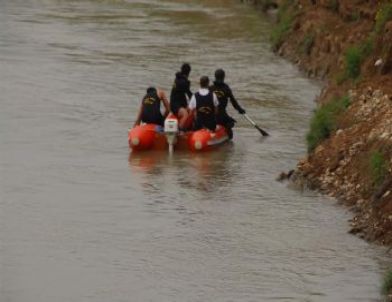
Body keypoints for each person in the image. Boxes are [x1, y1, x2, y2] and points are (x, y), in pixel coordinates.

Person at [209, 69, 246, 139]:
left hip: (210, 116)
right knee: (232, 123)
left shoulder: (210, 88)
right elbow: (233, 102)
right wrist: (240, 110)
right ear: (224, 77)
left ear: (215, 76)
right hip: (222, 116)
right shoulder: (226, 88)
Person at [170, 63, 192, 130]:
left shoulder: (177, 78)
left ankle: (187, 127)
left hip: (174, 103)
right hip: (176, 106)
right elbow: (189, 94)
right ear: (188, 72)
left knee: (189, 108)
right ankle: (179, 130)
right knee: (185, 114)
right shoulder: (184, 82)